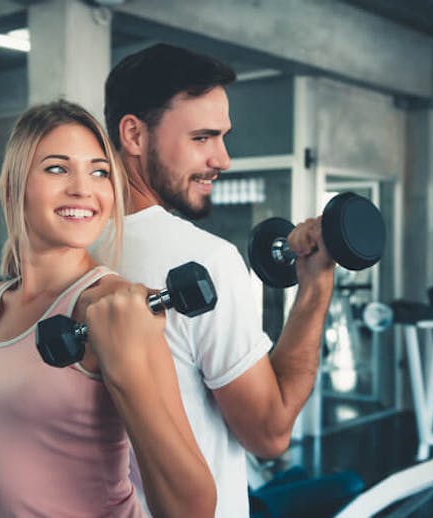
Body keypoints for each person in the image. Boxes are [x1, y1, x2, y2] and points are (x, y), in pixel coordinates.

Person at [103, 43, 340, 516]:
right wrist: (316, 286)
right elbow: (269, 434)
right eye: (203, 138)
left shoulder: (62, 253)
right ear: (133, 133)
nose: (223, 159)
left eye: (223, 137)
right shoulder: (205, 260)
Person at [0, 100, 215, 517]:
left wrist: (126, 367)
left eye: (100, 172)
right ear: (16, 185)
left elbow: (192, 510)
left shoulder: (114, 307)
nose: (83, 189)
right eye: (57, 168)